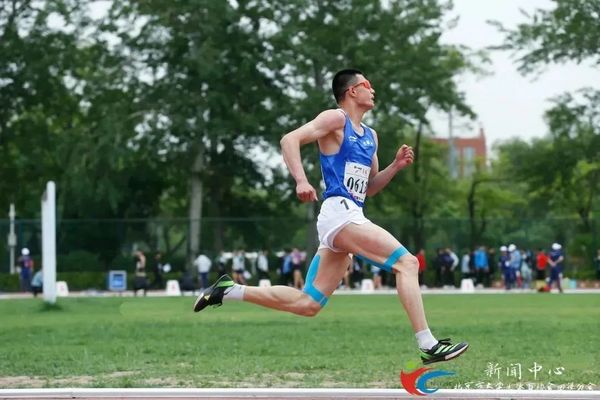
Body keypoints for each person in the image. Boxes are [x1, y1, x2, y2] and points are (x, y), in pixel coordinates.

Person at [193, 69, 468, 365]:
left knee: (308, 303)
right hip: (339, 213)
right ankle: (427, 343)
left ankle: (229, 290)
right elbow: (289, 140)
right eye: (367, 85)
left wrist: (395, 167)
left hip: (349, 214)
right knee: (407, 262)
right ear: (352, 91)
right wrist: (301, 180)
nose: (372, 90)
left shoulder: (371, 137)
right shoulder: (336, 119)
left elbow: (370, 188)